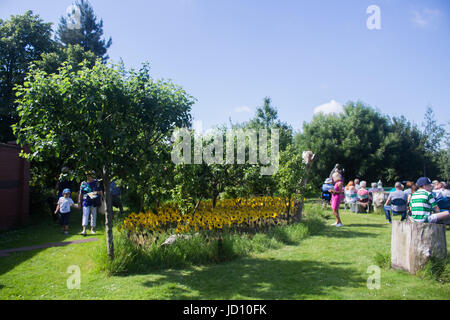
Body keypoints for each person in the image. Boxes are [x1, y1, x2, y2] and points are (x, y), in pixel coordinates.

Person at [78, 172, 102, 236]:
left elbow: (100, 192)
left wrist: (95, 193)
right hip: (86, 201)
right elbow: (81, 193)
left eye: (91, 176)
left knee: (93, 215)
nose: (89, 177)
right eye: (88, 176)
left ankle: (93, 229)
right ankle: (84, 230)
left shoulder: (96, 183)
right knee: (85, 215)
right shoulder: (83, 183)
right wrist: (79, 202)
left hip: (94, 201)